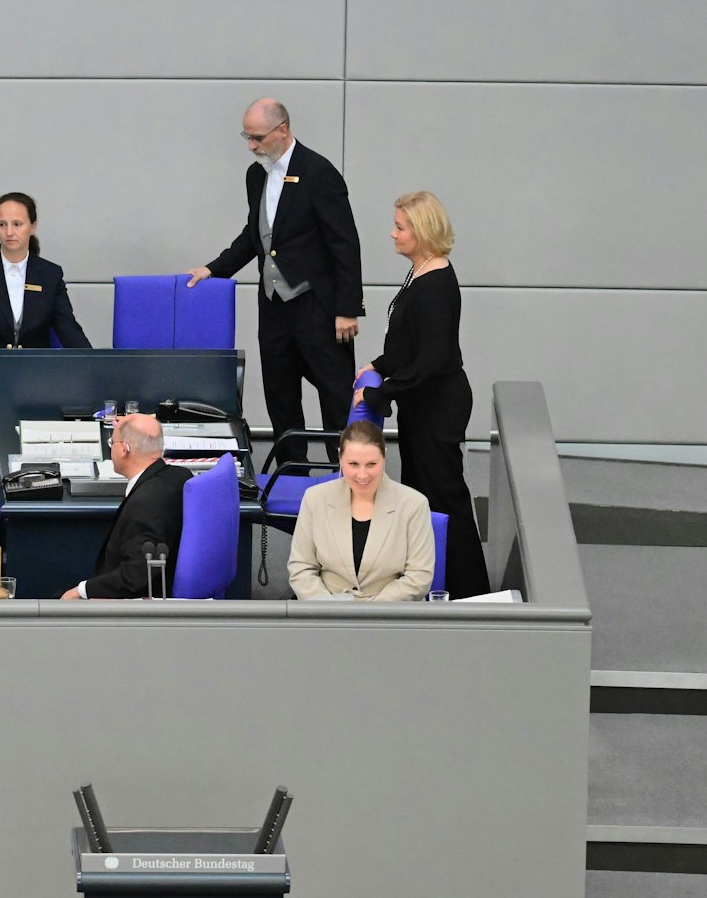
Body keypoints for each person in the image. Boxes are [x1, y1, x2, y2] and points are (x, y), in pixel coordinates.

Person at [187, 98, 362, 448]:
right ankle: (292, 476)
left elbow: (345, 243)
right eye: (247, 138)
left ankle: (344, 477)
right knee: (280, 396)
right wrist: (214, 268)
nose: (252, 146)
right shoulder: (256, 175)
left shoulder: (319, 172)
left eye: (258, 138)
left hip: (318, 307)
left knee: (335, 396)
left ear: (282, 130)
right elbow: (255, 234)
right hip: (274, 308)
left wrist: (347, 308)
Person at [353, 190, 489, 598]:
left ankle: (470, 593)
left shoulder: (434, 286)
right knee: (424, 496)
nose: (392, 234)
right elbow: (408, 344)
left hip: (438, 407)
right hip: (422, 404)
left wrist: (380, 395)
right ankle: (435, 583)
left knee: (444, 498)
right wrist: (379, 365)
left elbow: (433, 360)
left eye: (400, 227)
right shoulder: (422, 271)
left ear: (423, 231)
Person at [0, 191, 91, 408]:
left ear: (33, 226)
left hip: (35, 378)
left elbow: (69, 330)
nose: (9, 232)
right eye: (2, 224)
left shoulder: (50, 275)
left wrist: (95, 365)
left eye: (17, 224)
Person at [287, 420, 434, 601]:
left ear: (384, 457)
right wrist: (329, 611)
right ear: (340, 457)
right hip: (327, 614)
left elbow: (418, 577)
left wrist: (367, 614)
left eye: (371, 464)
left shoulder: (414, 504)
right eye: (353, 464)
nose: (362, 475)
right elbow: (301, 567)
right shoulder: (315, 498)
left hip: (388, 615)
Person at [61, 414, 190, 599]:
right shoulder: (179, 476)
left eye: (111, 442)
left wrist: (81, 591)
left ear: (124, 449)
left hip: (129, 607)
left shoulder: (145, 503)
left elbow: (136, 577)